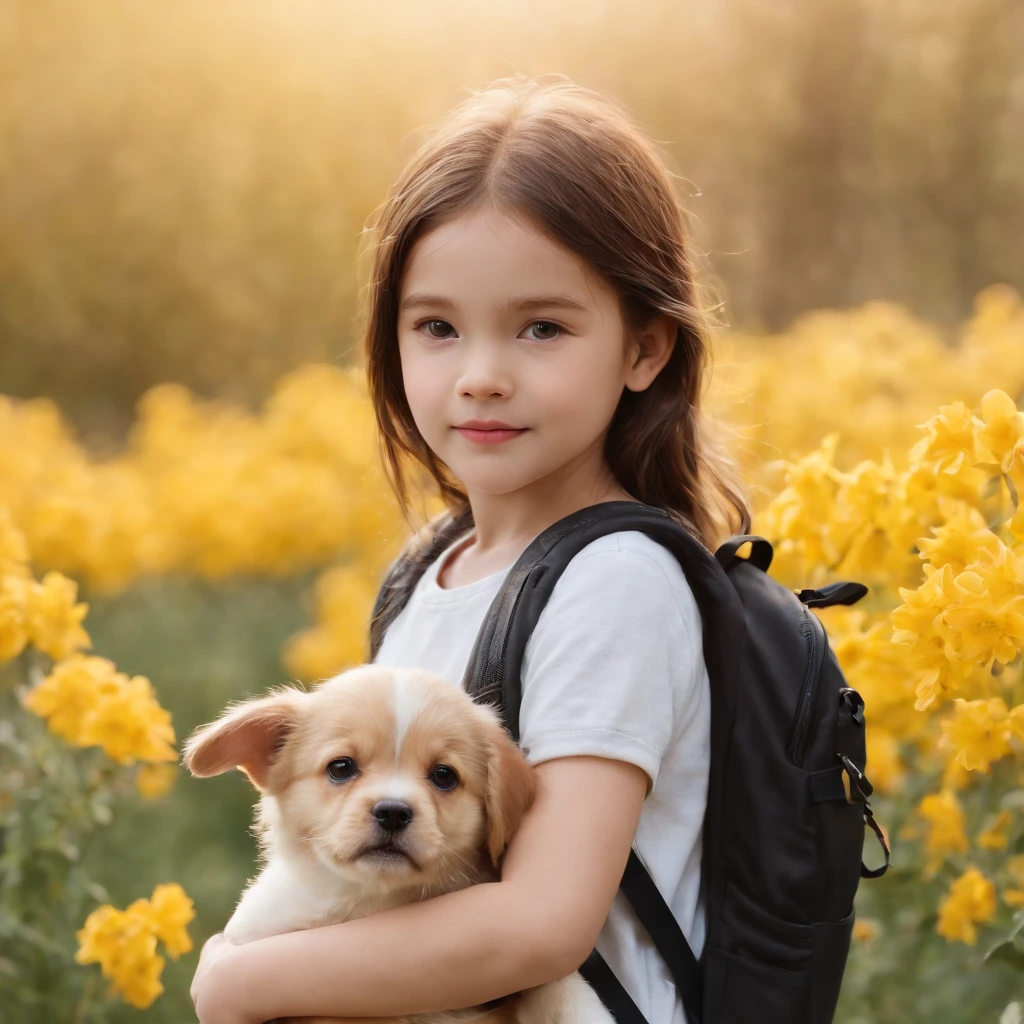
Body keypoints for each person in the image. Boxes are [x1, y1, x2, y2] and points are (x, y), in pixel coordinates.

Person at [189, 72, 751, 1024]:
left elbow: (540, 926)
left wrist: (243, 979)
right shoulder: (432, 572)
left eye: (541, 327)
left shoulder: (616, 582)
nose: (482, 377)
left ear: (645, 349)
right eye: (439, 327)